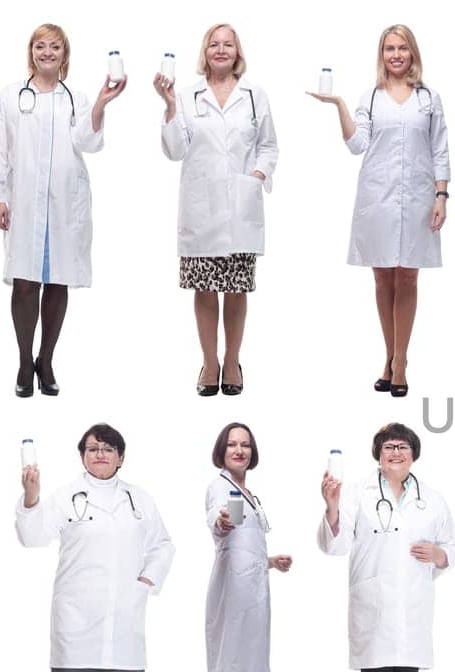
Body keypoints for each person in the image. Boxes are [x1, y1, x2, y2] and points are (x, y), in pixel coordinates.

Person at [17, 423, 176, 672]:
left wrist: (146, 583)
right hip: (77, 611)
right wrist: (30, 498)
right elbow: (32, 537)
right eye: (91, 448)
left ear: (121, 457)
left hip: (124, 612)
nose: (99, 454)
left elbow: (163, 546)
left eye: (107, 448)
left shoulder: (140, 499)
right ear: (82, 456)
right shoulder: (65, 495)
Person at [0, 23, 125, 398]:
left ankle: (46, 360)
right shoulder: (11, 96)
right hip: (25, 202)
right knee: (25, 282)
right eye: (40, 46)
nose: (47, 53)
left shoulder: (74, 98)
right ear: (31, 51)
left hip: (64, 204)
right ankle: (24, 360)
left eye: (55, 47)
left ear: (65, 54)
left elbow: (88, 143)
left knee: (58, 280)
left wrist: (100, 104)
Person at [318, 423, 455, 672]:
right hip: (374, 605)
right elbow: (335, 545)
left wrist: (440, 554)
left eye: (402, 447)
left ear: (414, 453)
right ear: (377, 454)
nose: (395, 453)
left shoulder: (432, 498)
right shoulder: (356, 493)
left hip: (413, 605)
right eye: (387, 447)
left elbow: (454, 546)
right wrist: (331, 507)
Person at [310, 24, 449, 397]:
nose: (396, 55)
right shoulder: (370, 97)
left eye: (403, 48)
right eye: (389, 48)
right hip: (378, 200)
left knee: (408, 279)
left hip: (419, 198)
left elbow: (440, 150)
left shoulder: (428, 99)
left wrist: (441, 196)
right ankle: (389, 357)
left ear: (413, 53)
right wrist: (338, 105)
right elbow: (357, 145)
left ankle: (401, 362)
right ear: (382, 54)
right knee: (383, 279)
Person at [157, 23, 278, 397]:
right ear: (205, 52)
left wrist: (257, 174)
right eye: (214, 44)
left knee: (236, 290)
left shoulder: (255, 96)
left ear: (237, 52)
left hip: (241, 206)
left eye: (228, 44)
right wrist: (170, 106)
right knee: (205, 288)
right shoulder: (189, 96)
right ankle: (210, 362)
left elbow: (269, 146)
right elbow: (174, 150)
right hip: (202, 209)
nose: (221, 50)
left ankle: (232, 360)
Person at [200, 422, 292, 672]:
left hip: (251, 589)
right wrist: (220, 520)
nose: (240, 450)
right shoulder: (220, 488)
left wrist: (270, 561)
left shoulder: (246, 492)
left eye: (246, 445)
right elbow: (222, 524)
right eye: (233, 444)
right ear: (221, 451)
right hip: (235, 594)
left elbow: (243, 543)